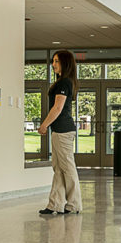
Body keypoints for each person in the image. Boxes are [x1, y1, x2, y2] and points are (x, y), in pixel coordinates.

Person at [37, 50, 83, 216]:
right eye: (53, 61)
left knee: (67, 168)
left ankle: (74, 204)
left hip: (63, 130)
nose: (53, 64)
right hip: (59, 130)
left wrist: (44, 125)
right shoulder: (63, 82)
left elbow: (57, 108)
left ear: (65, 63)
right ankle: (55, 204)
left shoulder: (64, 83)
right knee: (58, 168)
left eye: (57, 61)